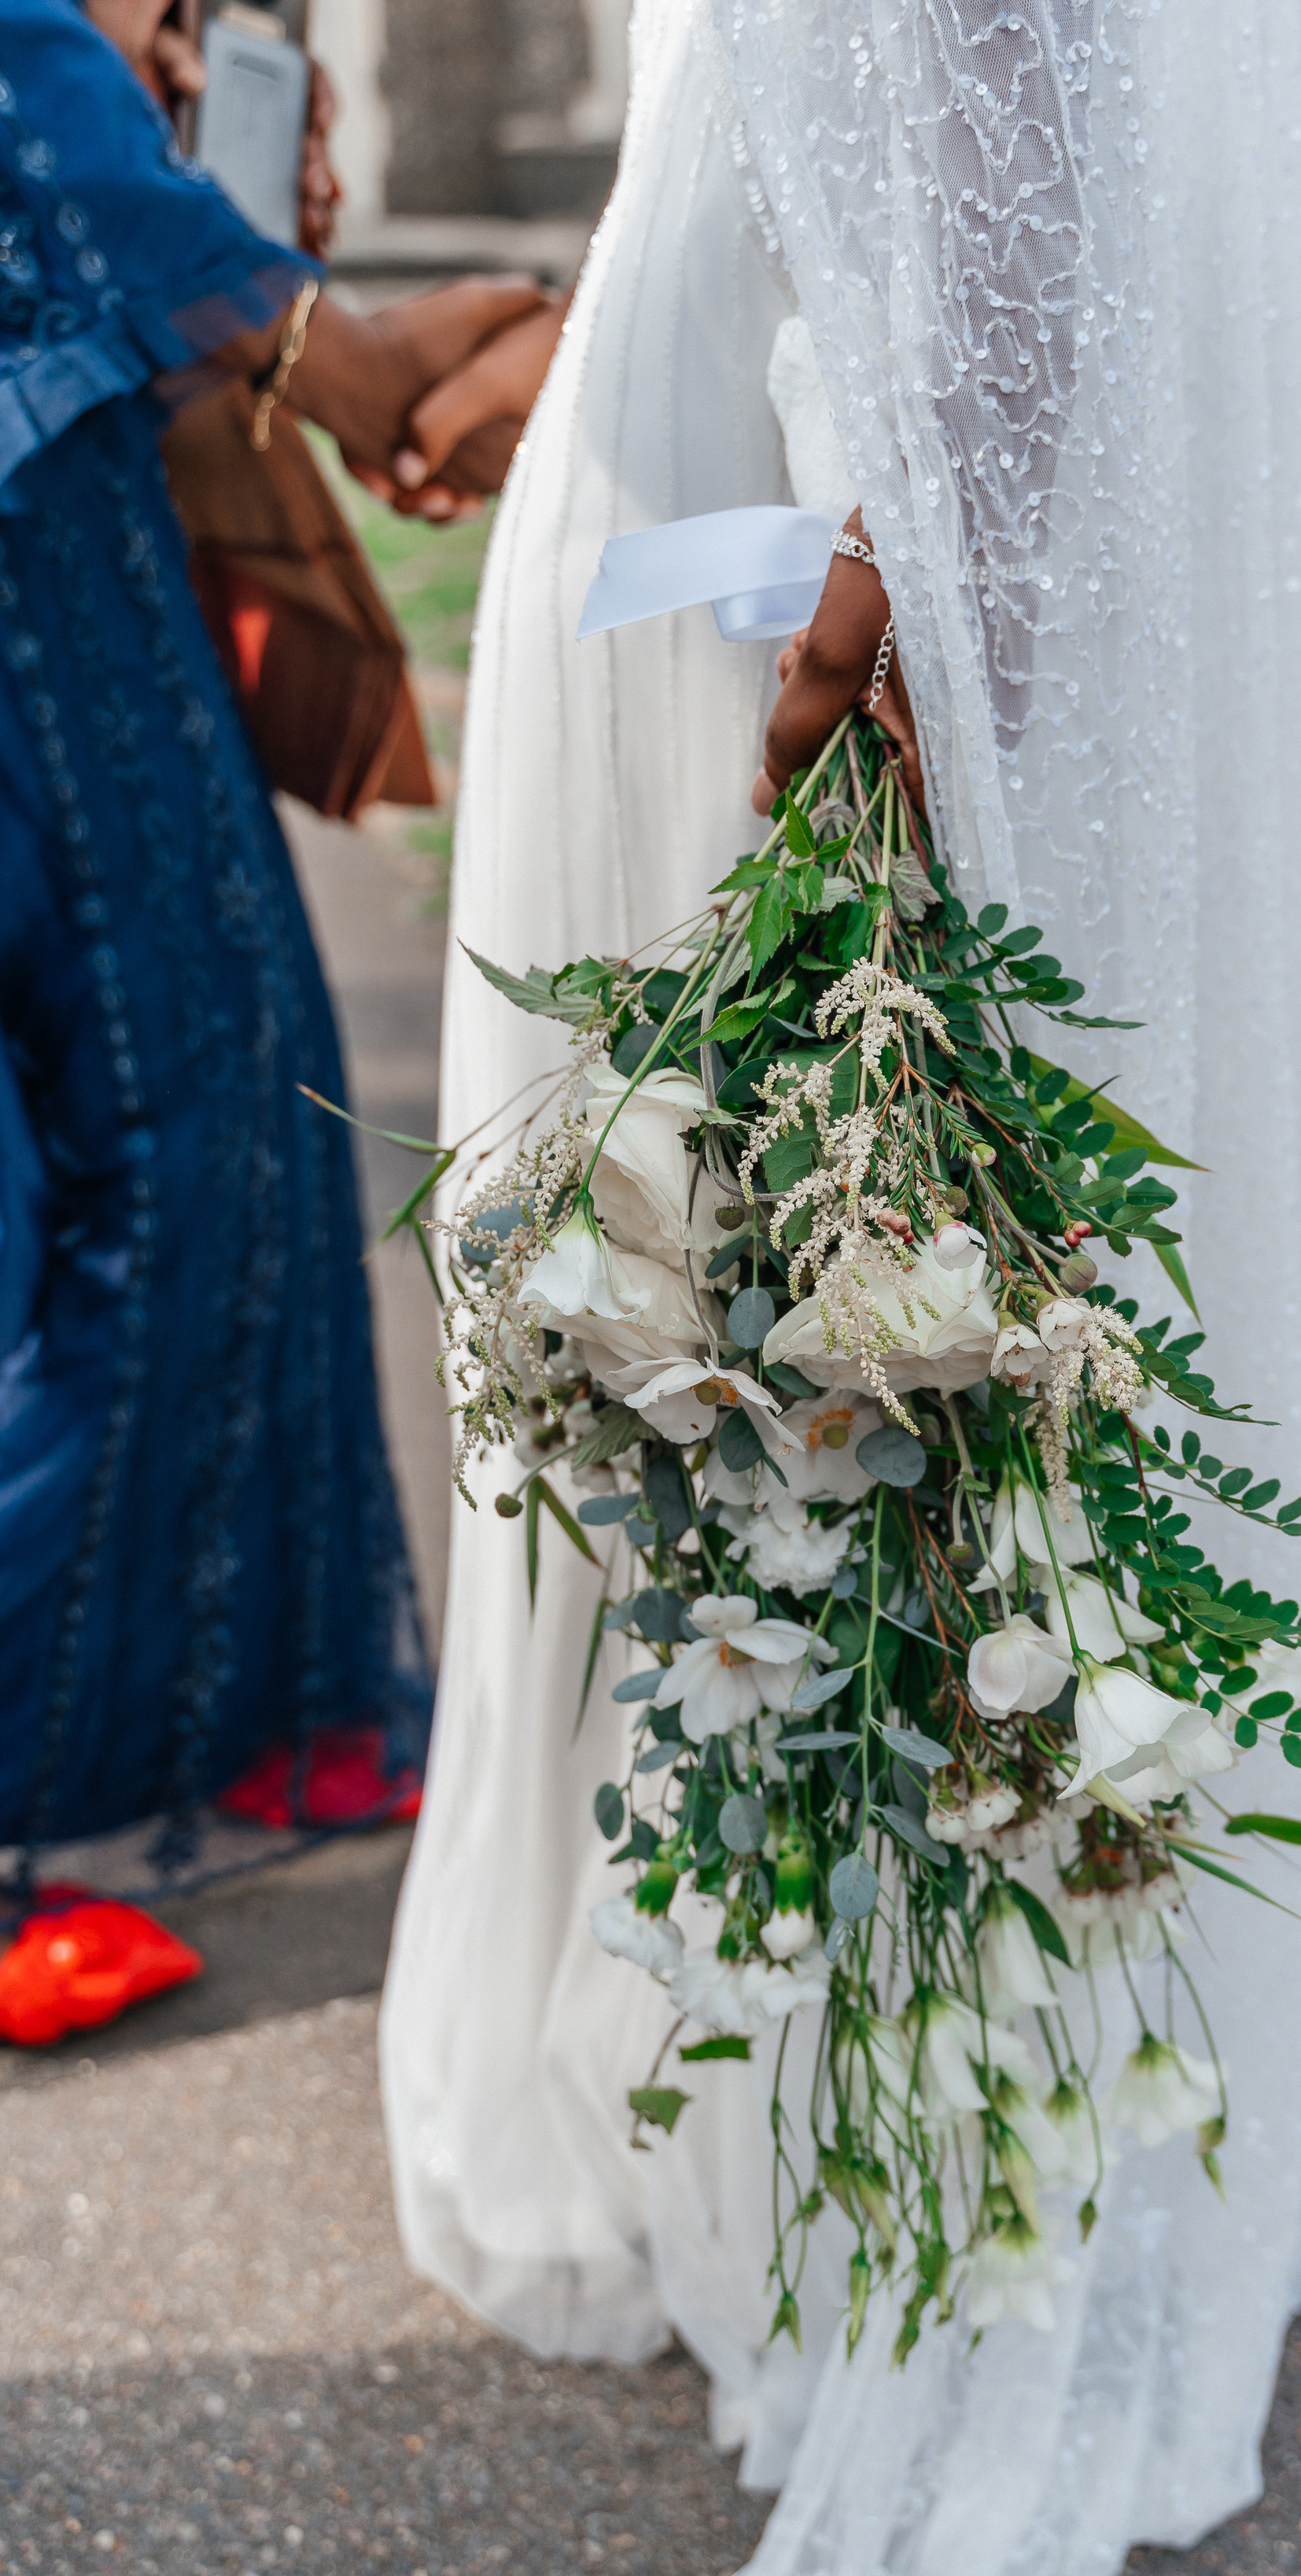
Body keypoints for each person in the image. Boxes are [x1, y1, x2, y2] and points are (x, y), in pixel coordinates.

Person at [379, 3, 1301, 2576]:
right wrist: (595, 326)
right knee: (732, 1409)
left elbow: (996, 224)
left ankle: (880, 2161)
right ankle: (827, 2101)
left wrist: (882, 710)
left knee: (792, 1402)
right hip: (736, 564)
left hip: (780, 665)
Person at [0, 0, 544, 1869]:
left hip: (72, 511)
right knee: (165, 1132)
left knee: (207, 1103)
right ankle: (48, 1780)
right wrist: (345, 351)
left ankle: (192, 1712)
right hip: (37, 564)